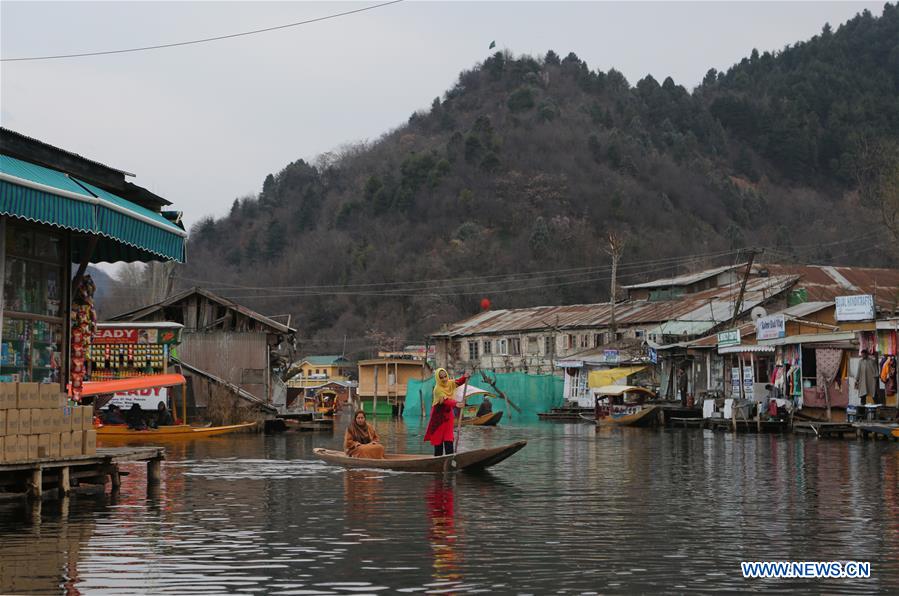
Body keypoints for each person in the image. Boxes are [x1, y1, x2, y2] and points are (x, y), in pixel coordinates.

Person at [424, 368, 468, 457]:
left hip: (448, 416)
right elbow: (445, 400)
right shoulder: (437, 389)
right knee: (438, 443)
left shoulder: (450, 383)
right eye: (441, 378)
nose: (444, 379)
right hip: (438, 418)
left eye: (445, 376)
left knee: (449, 440)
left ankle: (450, 459)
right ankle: (437, 461)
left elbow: (458, 382)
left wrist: (465, 377)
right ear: (438, 378)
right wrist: (456, 404)